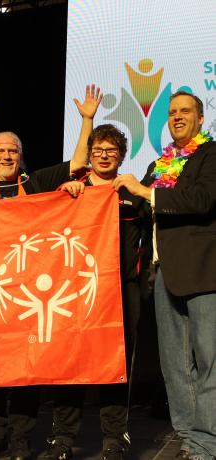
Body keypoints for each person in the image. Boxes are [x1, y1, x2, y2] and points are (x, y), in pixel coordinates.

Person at [0, 84, 102, 460]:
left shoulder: (34, 183)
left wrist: (87, 120)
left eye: (13, 150)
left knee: (25, 370)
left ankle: (20, 438)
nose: (7, 155)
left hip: (28, 294)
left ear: (21, 156)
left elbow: (80, 163)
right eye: (1, 150)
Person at [113, 91, 216, 460]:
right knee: (175, 368)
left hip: (204, 271)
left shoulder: (211, 155)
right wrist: (95, 199)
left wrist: (145, 191)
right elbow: (138, 204)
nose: (176, 117)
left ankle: (207, 444)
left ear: (200, 119)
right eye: (171, 112)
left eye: (185, 111)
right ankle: (191, 439)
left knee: (209, 363)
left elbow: (203, 200)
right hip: (162, 274)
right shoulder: (161, 164)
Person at [38, 123, 145, 460]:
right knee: (72, 362)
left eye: (111, 150)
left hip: (121, 290)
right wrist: (64, 194)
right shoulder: (73, 189)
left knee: (116, 366)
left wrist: (141, 191)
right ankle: (63, 439)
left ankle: (115, 438)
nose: (103, 155)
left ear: (121, 156)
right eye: (98, 149)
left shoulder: (130, 190)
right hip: (77, 293)